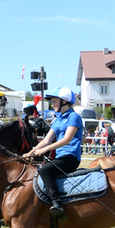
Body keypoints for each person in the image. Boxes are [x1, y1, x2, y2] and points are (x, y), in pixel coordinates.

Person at [27, 87, 84, 219]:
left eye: (54, 101)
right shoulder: (57, 119)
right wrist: (31, 152)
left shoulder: (74, 117)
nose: (52, 105)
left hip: (71, 157)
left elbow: (67, 139)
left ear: (64, 101)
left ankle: (56, 204)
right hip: (60, 157)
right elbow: (47, 139)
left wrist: (45, 150)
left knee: (45, 171)